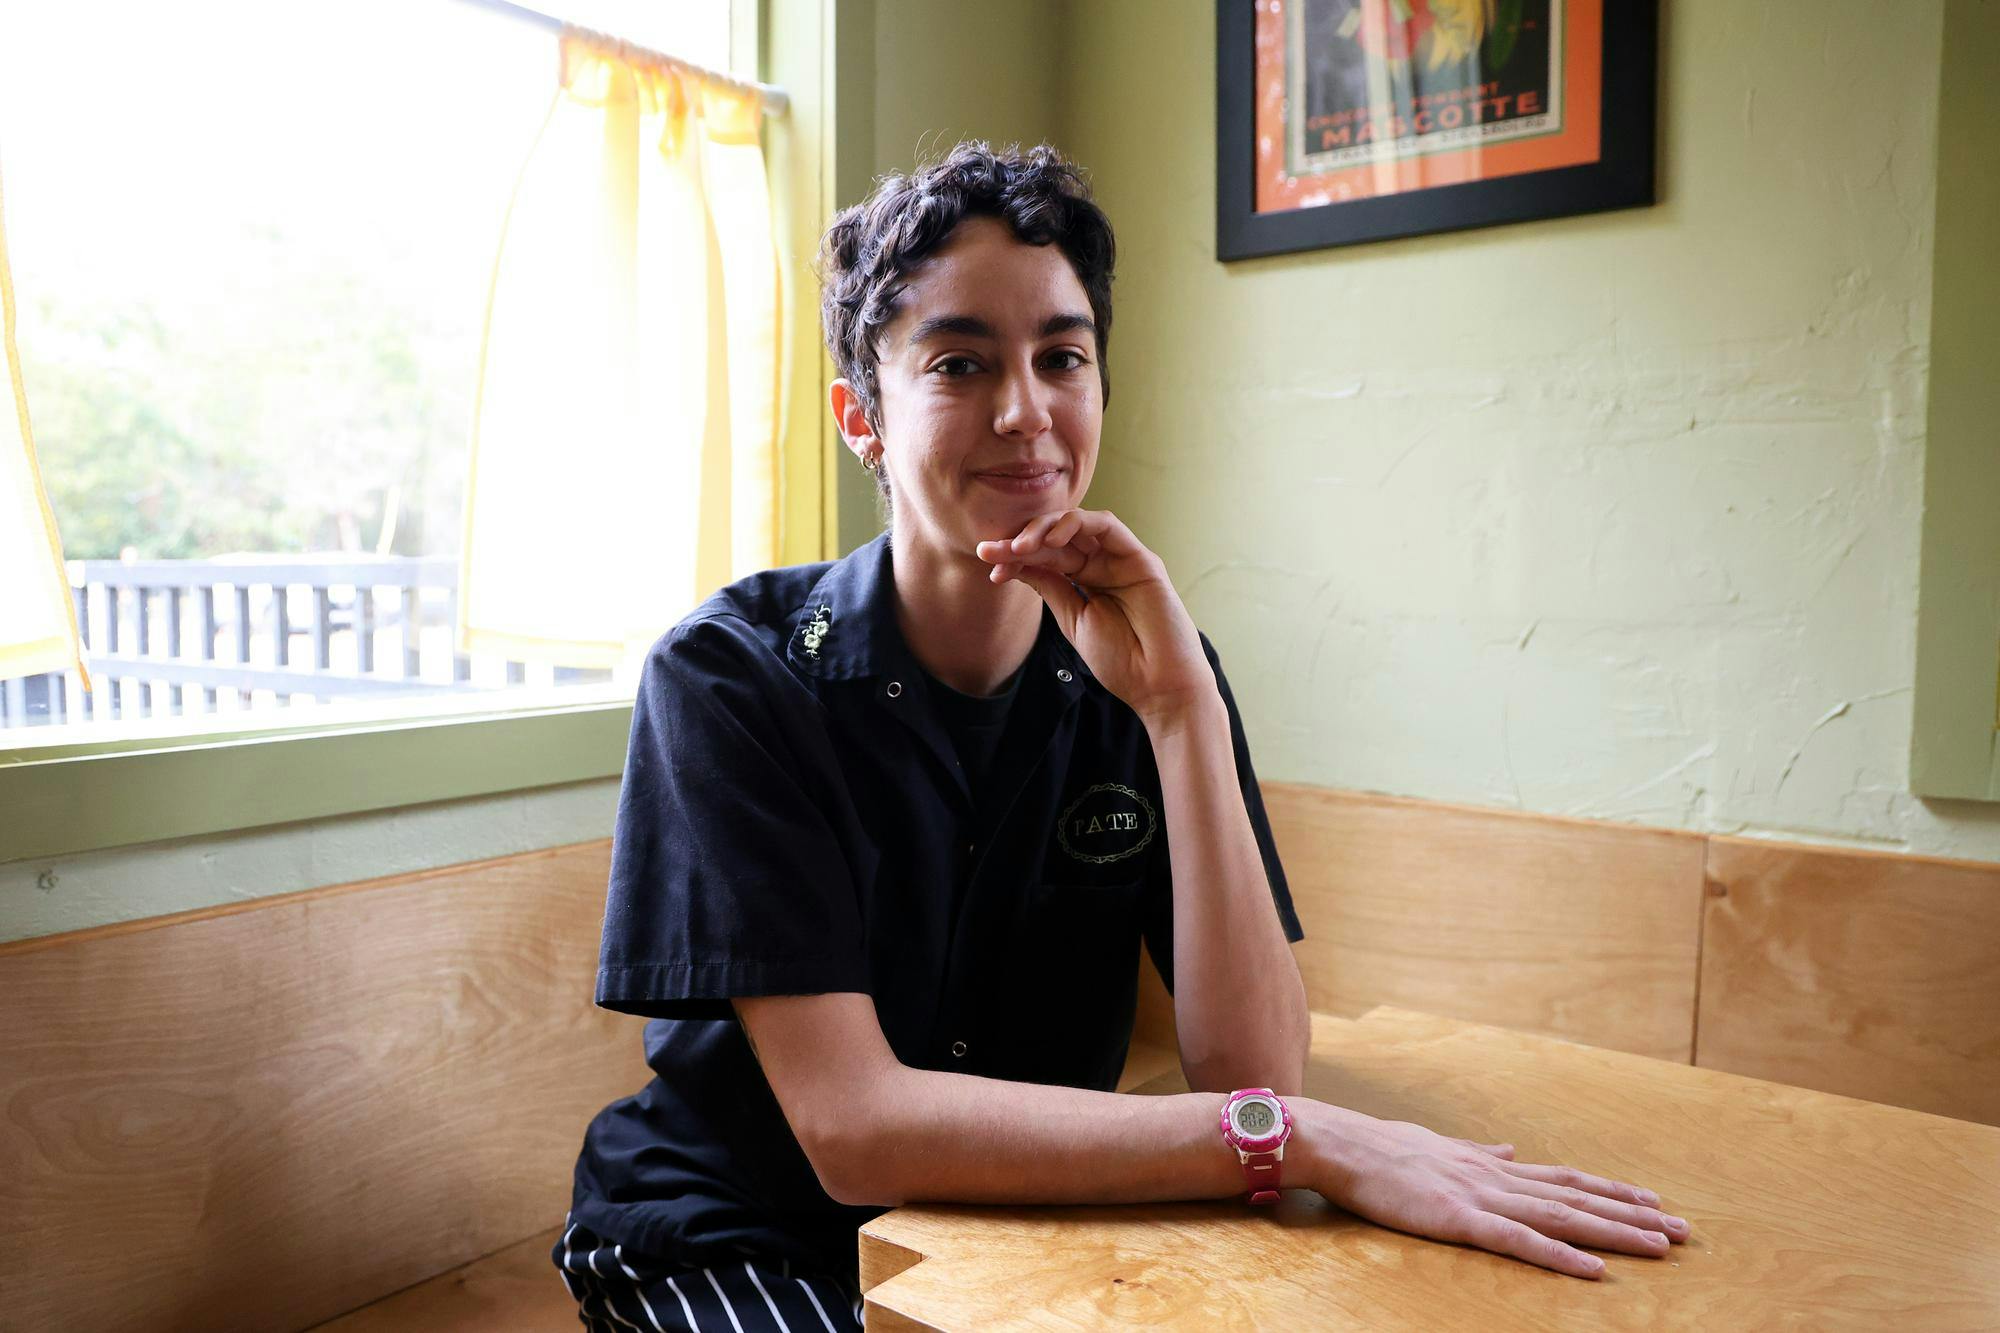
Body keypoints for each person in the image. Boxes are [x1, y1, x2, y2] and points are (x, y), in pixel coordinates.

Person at [552, 141, 1686, 1332]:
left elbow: (1253, 1072)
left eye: (1061, 357)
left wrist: (1181, 709)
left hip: (1020, 1228)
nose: (1024, 412)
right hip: (739, 1231)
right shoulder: (730, 675)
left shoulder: (1152, 666)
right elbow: (856, 1132)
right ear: (861, 419)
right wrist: (1296, 1139)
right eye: (958, 363)